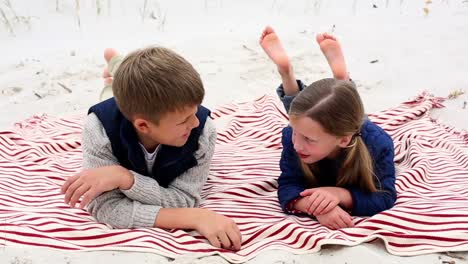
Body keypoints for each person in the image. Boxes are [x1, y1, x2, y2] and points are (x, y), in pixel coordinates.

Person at [61, 46, 242, 250]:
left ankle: (117, 66)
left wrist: (126, 178)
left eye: (195, 112)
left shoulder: (203, 131)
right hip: (121, 113)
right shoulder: (99, 129)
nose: (195, 124)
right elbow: (105, 207)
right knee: (109, 95)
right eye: (184, 120)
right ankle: (115, 69)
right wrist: (193, 218)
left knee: (125, 90)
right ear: (143, 126)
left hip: (139, 112)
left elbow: (183, 198)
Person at [259, 26, 396, 230]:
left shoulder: (377, 143)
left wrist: (339, 195)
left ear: (343, 140)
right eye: (296, 134)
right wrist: (317, 207)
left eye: (308, 140)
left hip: (354, 131)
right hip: (321, 124)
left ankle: (342, 80)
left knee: (350, 116)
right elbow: (288, 186)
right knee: (304, 113)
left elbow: (384, 196)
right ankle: (286, 72)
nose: (297, 145)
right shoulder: (292, 137)